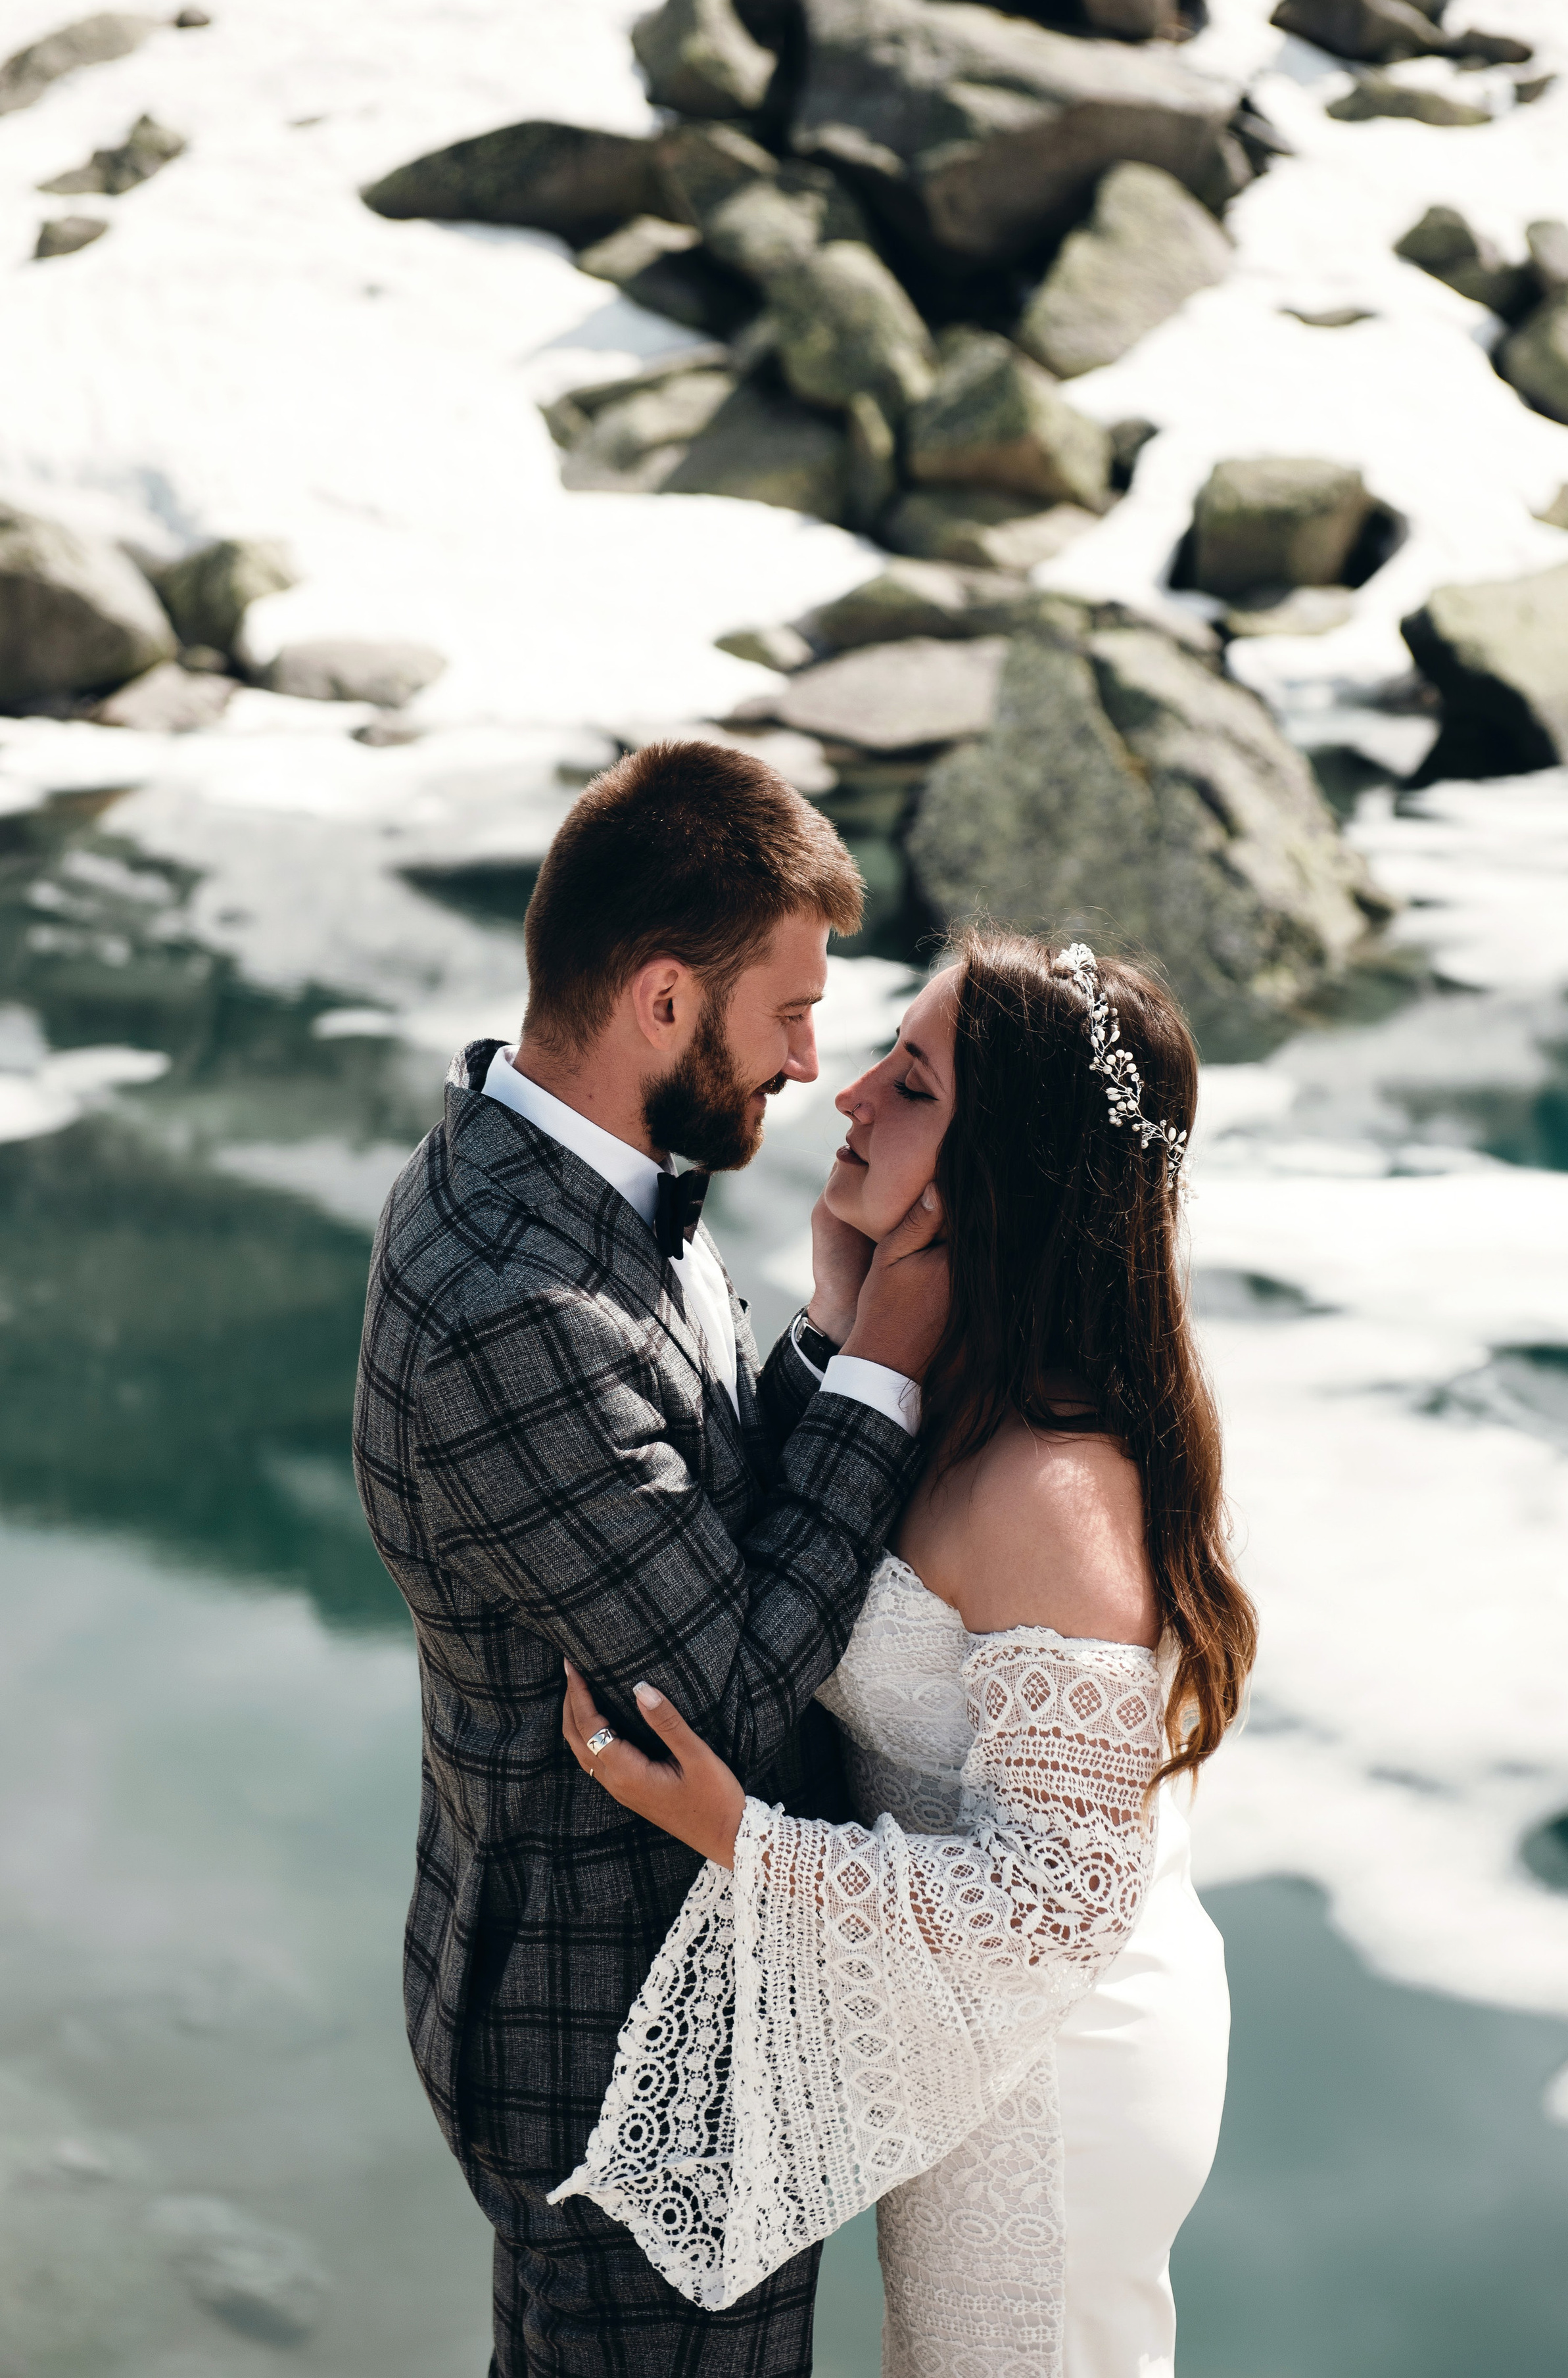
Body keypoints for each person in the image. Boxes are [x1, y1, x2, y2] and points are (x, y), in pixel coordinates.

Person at [553, 927, 1258, 2378]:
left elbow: (1064, 1894)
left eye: (914, 1084)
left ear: (1004, 1169)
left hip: (1060, 2075)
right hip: (974, 2037)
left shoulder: (1049, 1487)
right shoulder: (948, 1384)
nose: (850, 1093)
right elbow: (788, 1543)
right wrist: (839, 1309)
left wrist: (741, 1839)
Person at [352, 741, 949, 2378]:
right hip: (616, 2055)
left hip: (612, 1996)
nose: (812, 1062)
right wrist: (892, 1357)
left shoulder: (560, 1178)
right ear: (665, 999)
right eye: (790, 1012)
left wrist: (825, 1326)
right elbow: (732, 1697)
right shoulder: (511, 1305)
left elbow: (703, 1511)